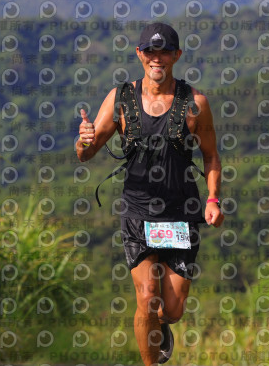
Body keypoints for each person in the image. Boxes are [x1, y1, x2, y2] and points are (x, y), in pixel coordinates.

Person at [76, 22, 224, 365]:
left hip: (181, 213)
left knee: (171, 309)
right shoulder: (120, 99)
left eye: (165, 52)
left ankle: (161, 325)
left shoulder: (195, 103)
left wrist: (213, 198)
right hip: (137, 213)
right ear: (139, 54)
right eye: (150, 52)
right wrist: (82, 140)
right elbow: (86, 153)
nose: (157, 59)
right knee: (146, 298)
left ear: (177, 55)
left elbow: (211, 155)